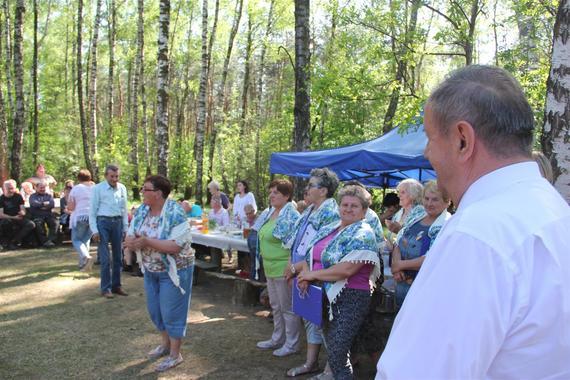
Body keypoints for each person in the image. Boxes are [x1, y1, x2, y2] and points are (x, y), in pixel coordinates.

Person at [377, 65, 570, 379]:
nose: (427, 153)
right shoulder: (554, 210)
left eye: (429, 138)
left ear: (462, 140)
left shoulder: (477, 234)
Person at [297, 185, 381, 379]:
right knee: (334, 349)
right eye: (345, 204)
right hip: (325, 295)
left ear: (364, 211)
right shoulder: (331, 228)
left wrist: (313, 276)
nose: (348, 209)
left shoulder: (364, 233)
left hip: (351, 297)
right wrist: (305, 274)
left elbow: (347, 269)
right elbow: (313, 256)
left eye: (355, 206)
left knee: (337, 351)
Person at [124, 175, 194, 373]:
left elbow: (175, 246)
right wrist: (130, 242)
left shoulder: (175, 213)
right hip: (150, 269)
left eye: (145, 189)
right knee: (156, 310)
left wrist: (146, 242)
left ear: (158, 193)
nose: (142, 193)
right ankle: (164, 345)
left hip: (175, 271)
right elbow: (131, 232)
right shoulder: (142, 211)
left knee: (172, 312)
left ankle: (175, 354)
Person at [284, 167, 340, 377]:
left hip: (317, 276)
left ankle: (332, 368)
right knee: (310, 319)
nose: (306, 189)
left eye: (311, 185)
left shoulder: (331, 213)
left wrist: (300, 270)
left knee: (325, 322)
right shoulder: (310, 210)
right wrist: (292, 266)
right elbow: (298, 242)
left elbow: (324, 250)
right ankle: (311, 363)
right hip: (302, 273)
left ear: (324, 190)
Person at [254, 179, 302, 357]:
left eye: (277, 193)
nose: (272, 195)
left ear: (287, 196)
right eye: (271, 192)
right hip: (269, 265)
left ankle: (292, 343)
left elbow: (296, 245)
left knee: (287, 307)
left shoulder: (292, 216)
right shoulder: (270, 213)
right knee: (275, 305)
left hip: (283, 267)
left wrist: (290, 266)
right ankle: (277, 338)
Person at [391, 180, 450, 307]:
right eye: (426, 198)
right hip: (402, 284)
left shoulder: (447, 224)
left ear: (446, 202)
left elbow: (434, 258)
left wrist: (400, 265)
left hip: (424, 289)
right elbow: (398, 240)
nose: (429, 203)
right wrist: (396, 268)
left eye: (435, 199)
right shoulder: (417, 216)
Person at [89, 164, 129, 299]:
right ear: (106, 176)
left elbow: (124, 210)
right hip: (103, 223)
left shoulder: (122, 188)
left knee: (118, 257)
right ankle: (105, 288)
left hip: (117, 223)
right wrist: (94, 230)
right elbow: (92, 211)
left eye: (117, 176)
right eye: (112, 176)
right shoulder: (97, 189)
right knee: (105, 259)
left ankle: (116, 285)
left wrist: (125, 228)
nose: (115, 179)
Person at [68, 169, 95, 271]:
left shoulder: (76, 189)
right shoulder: (95, 188)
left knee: (76, 240)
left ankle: (85, 257)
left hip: (80, 216)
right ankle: (83, 264)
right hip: (93, 217)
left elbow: (71, 206)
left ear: (79, 178)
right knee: (85, 240)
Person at [0, 180, 36, 250]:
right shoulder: (1, 199)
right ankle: (6, 242)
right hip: (6, 218)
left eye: (12, 188)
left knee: (31, 224)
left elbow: (22, 209)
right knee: (6, 223)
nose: (11, 190)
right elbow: (1, 215)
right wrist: (14, 217)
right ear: (4, 188)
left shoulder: (18, 196)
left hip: (18, 217)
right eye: (9, 188)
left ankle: (14, 241)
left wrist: (23, 212)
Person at [29, 182, 58, 248]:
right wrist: (44, 204)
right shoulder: (33, 196)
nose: (42, 189)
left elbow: (52, 205)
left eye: (44, 187)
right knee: (38, 223)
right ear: (36, 188)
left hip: (48, 215)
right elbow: (34, 204)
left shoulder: (49, 196)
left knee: (55, 222)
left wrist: (40, 206)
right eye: (41, 188)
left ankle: (51, 241)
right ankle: (44, 242)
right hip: (37, 215)